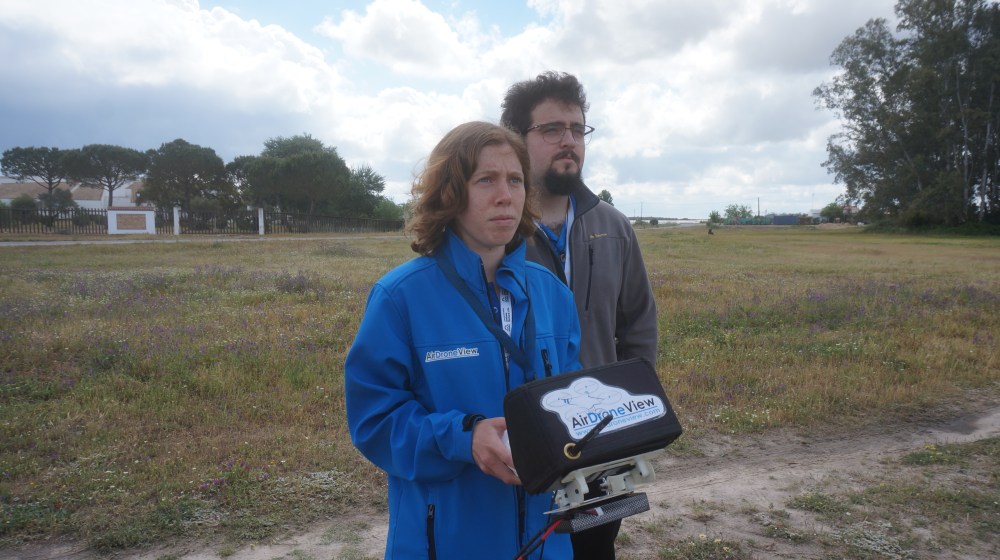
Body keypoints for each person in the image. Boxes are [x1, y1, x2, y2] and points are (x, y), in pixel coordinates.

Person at [345, 121, 582, 559]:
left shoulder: (553, 294)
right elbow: (374, 421)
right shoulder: (400, 298)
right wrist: (462, 438)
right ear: (451, 193)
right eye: (485, 180)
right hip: (446, 540)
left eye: (514, 180)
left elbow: (571, 404)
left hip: (546, 541)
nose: (505, 196)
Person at [501, 72, 658, 560]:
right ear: (516, 139)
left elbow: (638, 326)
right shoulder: (498, 229)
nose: (568, 140)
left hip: (600, 442)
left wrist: (629, 411)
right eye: (551, 129)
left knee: (594, 551)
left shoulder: (612, 226)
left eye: (576, 128)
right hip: (521, 445)